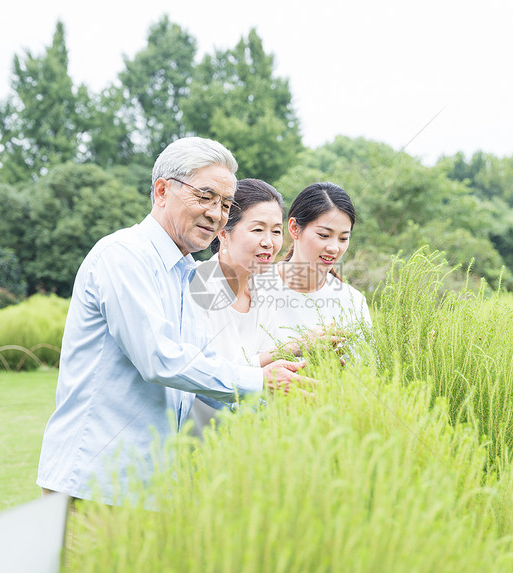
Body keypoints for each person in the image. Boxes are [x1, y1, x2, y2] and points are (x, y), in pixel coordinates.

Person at [36, 137, 311, 505]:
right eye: (205, 196)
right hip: (96, 483)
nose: (216, 213)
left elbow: (198, 374)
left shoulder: (184, 273)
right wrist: (259, 380)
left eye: (226, 204)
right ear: (162, 191)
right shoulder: (124, 257)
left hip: (148, 486)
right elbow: (160, 360)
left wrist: (287, 394)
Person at [187, 179, 286, 435]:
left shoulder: (267, 290)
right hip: (195, 445)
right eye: (257, 230)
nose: (269, 242)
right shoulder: (198, 285)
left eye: (276, 231)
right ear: (223, 232)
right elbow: (207, 375)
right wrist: (286, 350)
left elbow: (274, 375)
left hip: (249, 446)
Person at [255, 182, 371, 354]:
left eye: (343, 238)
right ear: (294, 228)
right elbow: (233, 367)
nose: (334, 247)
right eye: (324, 235)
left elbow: (367, 371)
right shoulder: (254, 287)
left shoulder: (353, 301)